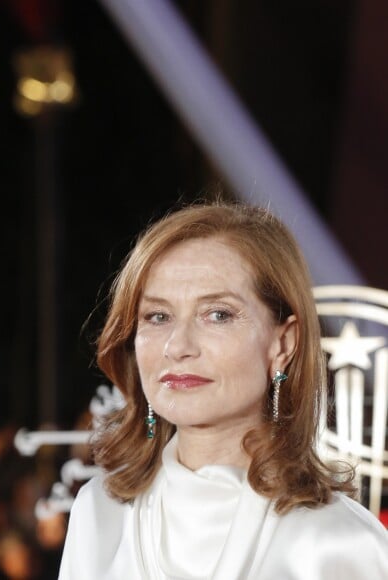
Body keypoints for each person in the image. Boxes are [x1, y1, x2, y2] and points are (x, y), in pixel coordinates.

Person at [58, 201, 388, 579]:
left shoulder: (340, 542)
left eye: (218, 314)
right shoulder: (98, 513)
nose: (178, 346)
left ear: (283, 344)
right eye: (158, 316)